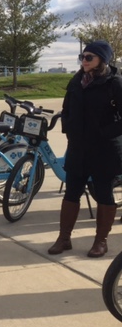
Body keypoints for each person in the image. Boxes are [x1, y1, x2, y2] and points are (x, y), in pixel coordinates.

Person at [48, 40, 122, 258]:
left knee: (103, 193)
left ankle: (101, 241)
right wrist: (69, 129)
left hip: (104, 149)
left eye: (90, 57)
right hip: (78, 147)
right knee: (72, 192)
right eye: (83, 57)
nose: (85, 61)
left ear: (102, 59)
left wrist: (105, 132)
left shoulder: (114, 82)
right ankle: (64, 238)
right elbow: (67, 107)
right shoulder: (77, 80)